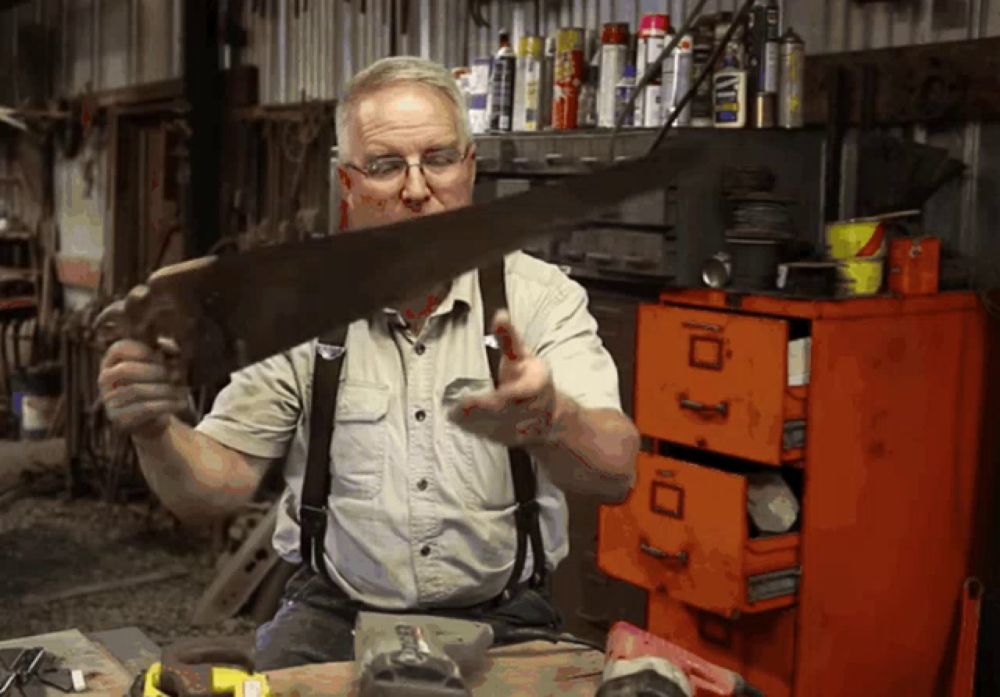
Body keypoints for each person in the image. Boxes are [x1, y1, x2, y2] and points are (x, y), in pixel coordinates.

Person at [97, 55, 640, 670]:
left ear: (469, 167)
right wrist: (154, 432)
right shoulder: (297, 310)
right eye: (385, 166)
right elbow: (213, 493)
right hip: (335, 614)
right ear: (347, 183)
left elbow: (616, 472)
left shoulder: (541, 299)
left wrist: (554, 419)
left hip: (505, 617)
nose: (415, 188)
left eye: (438, 159)